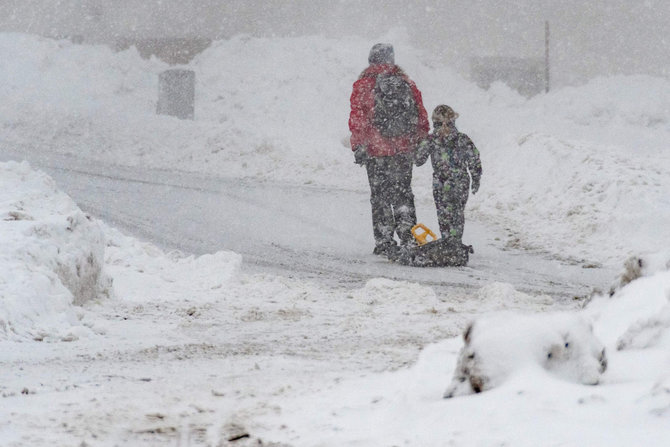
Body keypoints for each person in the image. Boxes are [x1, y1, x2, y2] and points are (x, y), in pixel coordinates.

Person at [348, 43, 429, 256]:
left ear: (371, 60)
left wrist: (359, 144)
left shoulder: (363, 85)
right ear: (392, 60)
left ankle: (384, 240)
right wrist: (419, 141)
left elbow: (358, 119)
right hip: (402, 151)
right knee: (403, 193)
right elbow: (421, 115)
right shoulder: (407, 83)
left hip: (376, 151)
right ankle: (408, 235)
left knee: (380, 196)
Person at [414, 105, 482, 243]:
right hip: (460, 181)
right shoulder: (463, 139)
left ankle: (447, 241)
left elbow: (418, 160)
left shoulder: (431, 140)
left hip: (440, 181)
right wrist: (476, 178)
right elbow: (474, 159)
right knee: (457, 213)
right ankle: (455, 241)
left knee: (443, 213)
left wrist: (417, 143)